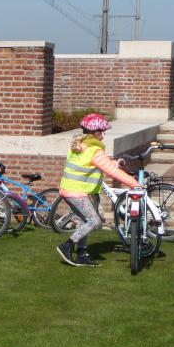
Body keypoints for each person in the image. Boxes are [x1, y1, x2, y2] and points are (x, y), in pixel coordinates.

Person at [56, 113, 139, 267]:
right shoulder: (95, 150)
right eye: (102, 131)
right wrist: (135, 184)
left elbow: (94, 166)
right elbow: (111, 171)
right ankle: (68, 245)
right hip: (78, 192)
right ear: (95, 133)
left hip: (69, 190)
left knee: (83, 221)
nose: (104, 134)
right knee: (94, 222)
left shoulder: (78, 146)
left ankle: (82, 254)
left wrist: (113, 163)